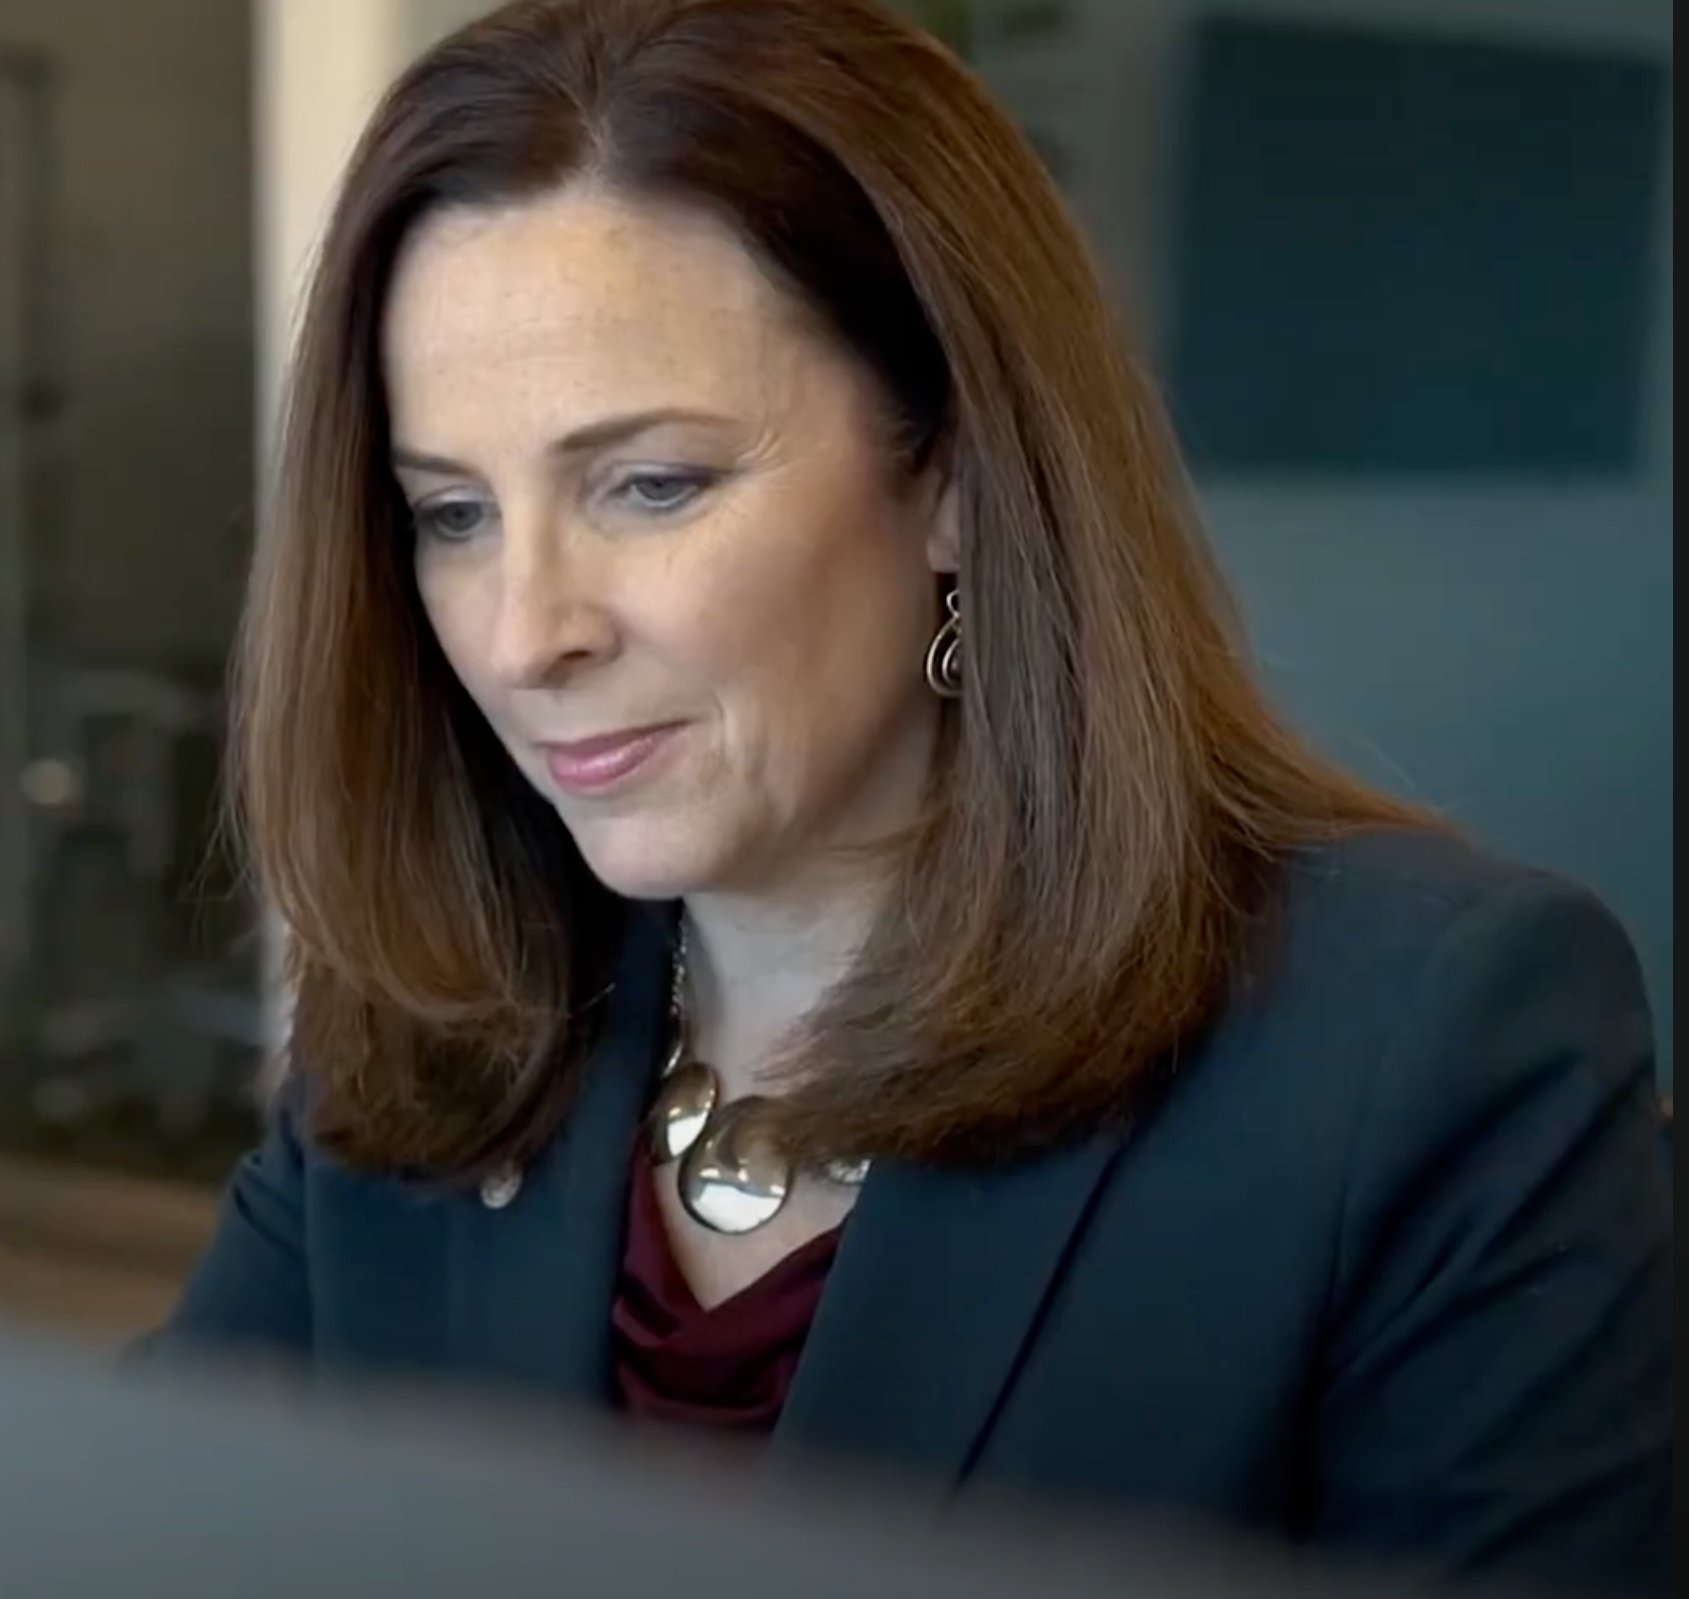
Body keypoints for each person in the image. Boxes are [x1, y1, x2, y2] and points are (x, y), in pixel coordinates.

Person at [144, 0, 1673, 1592]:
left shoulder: (1429, 1045)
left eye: (649, 485)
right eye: (451, 514)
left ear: (947, 476)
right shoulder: (425, 1046)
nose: (526, 634)